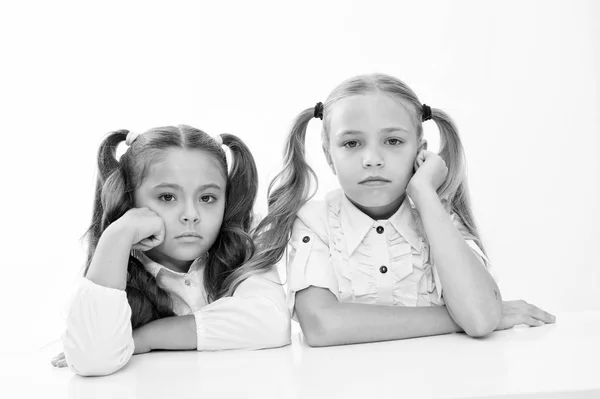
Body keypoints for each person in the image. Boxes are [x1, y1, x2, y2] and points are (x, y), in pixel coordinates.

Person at [251, 73, 555, 347]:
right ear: (329, 155)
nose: (372, 159)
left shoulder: (439, 217)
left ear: (420, 150)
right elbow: (321, 326)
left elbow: (477, 316)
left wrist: (424, 193)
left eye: (393, 140)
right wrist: (454, 320)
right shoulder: (313, 221)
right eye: (352, 143)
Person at [51, 125, 290, 375]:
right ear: (130, 200)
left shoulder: (247, 247)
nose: (190, 215)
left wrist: (144, 338)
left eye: (207, 198)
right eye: (167, 197)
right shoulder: (114, 268)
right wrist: (116, 236)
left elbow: (271, 321)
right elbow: (94, 359)